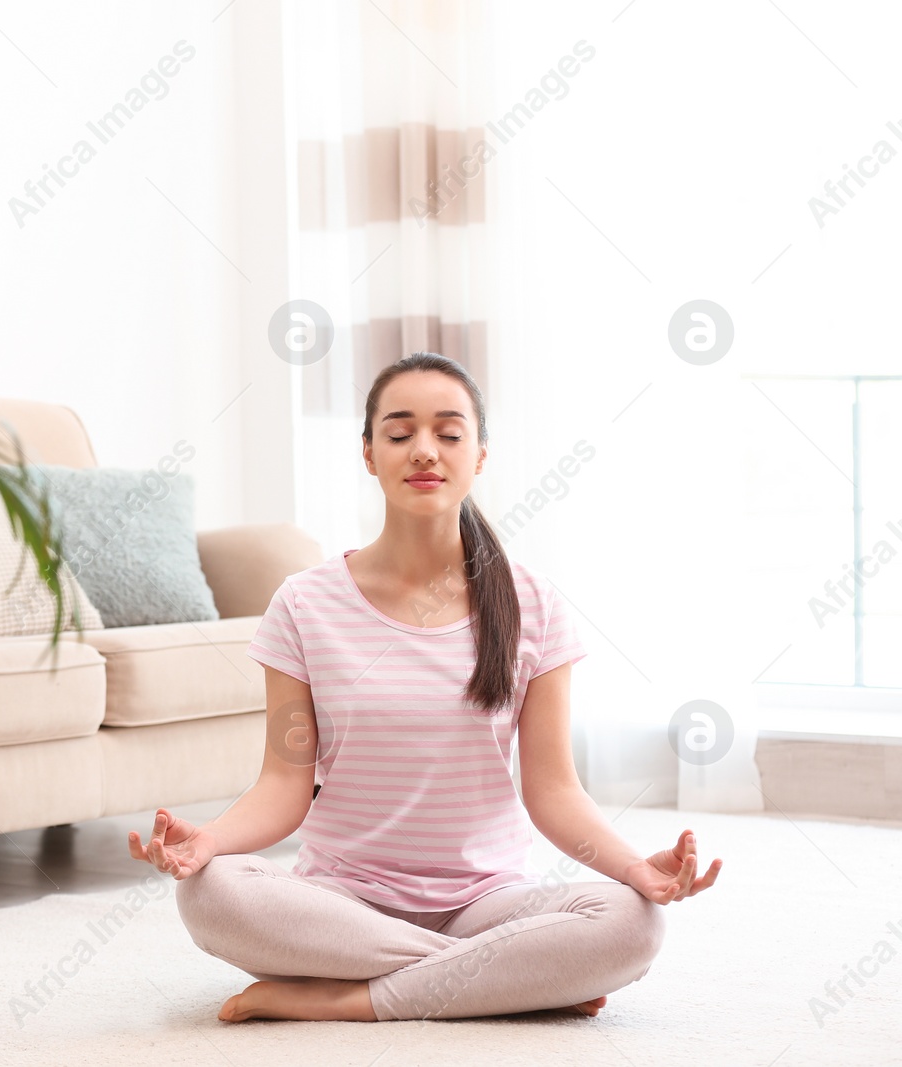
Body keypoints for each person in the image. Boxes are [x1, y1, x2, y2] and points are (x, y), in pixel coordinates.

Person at [127, 352, 722, 1023]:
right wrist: (208, 841)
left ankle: (348, 998)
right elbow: (283, 785)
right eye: (400, 431)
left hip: (486, 904)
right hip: (342, 907)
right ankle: (502, 978)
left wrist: (634, 869)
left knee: (632, 923)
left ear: (481, 454)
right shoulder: (304, 603)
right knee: (211, 894)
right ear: (368, 453)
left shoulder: (534, 603)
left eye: (448, 431)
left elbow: (553, 789)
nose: (424, 451)